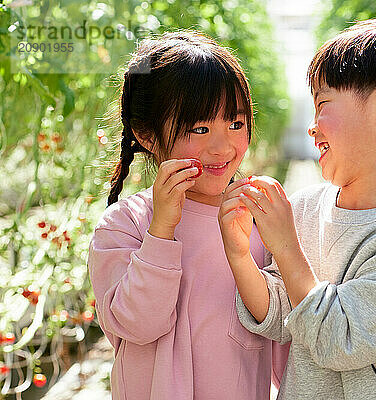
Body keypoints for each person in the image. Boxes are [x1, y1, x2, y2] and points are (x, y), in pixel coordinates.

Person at [218, 18, 376, 399]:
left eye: (324, 105)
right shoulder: (305, 209)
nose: (312, 127)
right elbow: (282, 315)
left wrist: (285, 247)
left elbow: (339, 338)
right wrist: (239, 255)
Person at [87, 30, 288, 400]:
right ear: (147, 135)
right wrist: (161, 231)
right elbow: (138, 324)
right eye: (199, 128)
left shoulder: (258, 220)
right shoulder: (124, 225)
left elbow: (286, 340)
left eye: (236, 123)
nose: (223, 145)